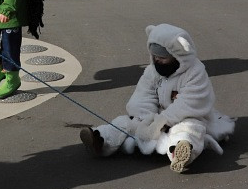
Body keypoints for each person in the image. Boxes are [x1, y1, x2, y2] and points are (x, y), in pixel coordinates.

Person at [78, 24, 235, 173]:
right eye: (154, 56)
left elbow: (191, 102)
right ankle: (101, 139)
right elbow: (143, 95)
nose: (156, 60)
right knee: (123, 122)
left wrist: (163, 122)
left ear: (177, 56)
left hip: (184, 117)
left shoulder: (195, 72)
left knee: (190, 128)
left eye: (162, 57)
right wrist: (147, 119)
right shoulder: (152, 71)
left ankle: (181, 151)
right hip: (155, 117)